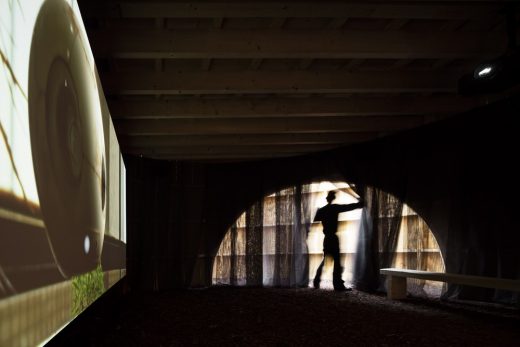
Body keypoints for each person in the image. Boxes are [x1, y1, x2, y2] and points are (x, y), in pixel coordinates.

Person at [313, 190, 363, 291]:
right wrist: (359, 204)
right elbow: (348, 207)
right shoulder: (334, 208)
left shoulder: (322, 210)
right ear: (333, 198)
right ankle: (338, 285)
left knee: (326, 259)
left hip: (327, 238)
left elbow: (315, 218)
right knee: (336, 261)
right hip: (333, 238)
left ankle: (316, 280)